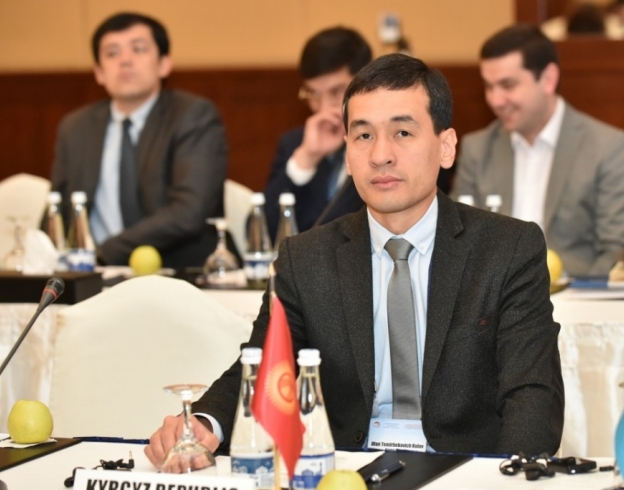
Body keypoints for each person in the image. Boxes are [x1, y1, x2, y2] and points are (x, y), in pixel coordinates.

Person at [145, 53, 565, 465]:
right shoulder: (305, 259)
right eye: (363, 136)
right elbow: (262, 366)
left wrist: (506, 474)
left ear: (446, 147)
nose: (381, 155)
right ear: (347, 153)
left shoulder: (508, 248)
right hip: (345, 468)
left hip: (465, 469)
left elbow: (532, 392)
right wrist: (204, 422)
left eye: (403, 132)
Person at [451, 24, 624, 277]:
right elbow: (457, 240)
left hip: (576, 292)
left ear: (548, 79)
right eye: (489, 86)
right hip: (495, 296)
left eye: (508, 85)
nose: (495, 100)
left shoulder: (605, 147)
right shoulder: (478, 149)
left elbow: (616, 253)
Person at [51, 12, 228, 269]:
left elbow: (188, 212)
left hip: (175, 271)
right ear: (99, 72)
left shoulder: (193, 116)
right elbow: (57, 210)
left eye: (138, 49)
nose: (125, 60)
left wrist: (104, 252)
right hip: (91, 273)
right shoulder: (76, 128)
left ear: (164, 63)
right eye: (112, 53)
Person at [263, 27, 371, 240]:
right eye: (313, 94)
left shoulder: (387, 146)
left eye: (336, 92)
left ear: (366, 83)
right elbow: (261, 231)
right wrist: (306, 159)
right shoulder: (295, 143)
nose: (324, 107)